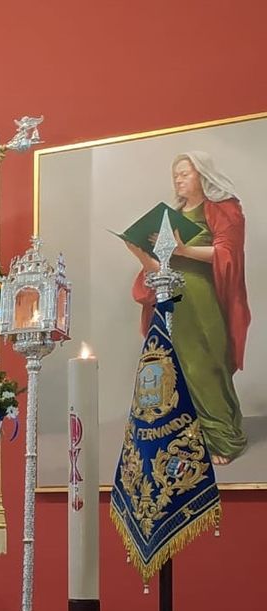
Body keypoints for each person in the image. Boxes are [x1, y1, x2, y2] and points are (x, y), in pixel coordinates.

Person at [125, 152, 249, 465]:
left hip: (202, 298)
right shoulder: (171, 216)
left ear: (202, 174)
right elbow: (159, 266)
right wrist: (140, 253)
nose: (178, 180)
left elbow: (229, 253)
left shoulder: (223, 207)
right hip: (171, 299)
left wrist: (185, 249)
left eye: (184, 173)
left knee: (205, 364)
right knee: (174, 366)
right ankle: (187, 437)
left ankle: (223, 438)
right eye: (175, 175)